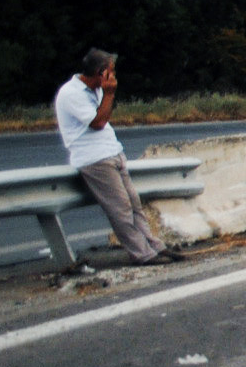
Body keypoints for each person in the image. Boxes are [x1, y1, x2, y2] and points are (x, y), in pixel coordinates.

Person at [52, 49, 181, 267]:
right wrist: (110, 93)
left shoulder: (96, 89)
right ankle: (141, 253)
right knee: (120, 209)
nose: (114, 76)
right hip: (95, 159)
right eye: (111, 71)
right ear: (101, 73)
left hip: (112, 151)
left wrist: (106, 93)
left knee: (134, 204)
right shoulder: (71, 93)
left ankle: (154, 246)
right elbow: (97, 122)